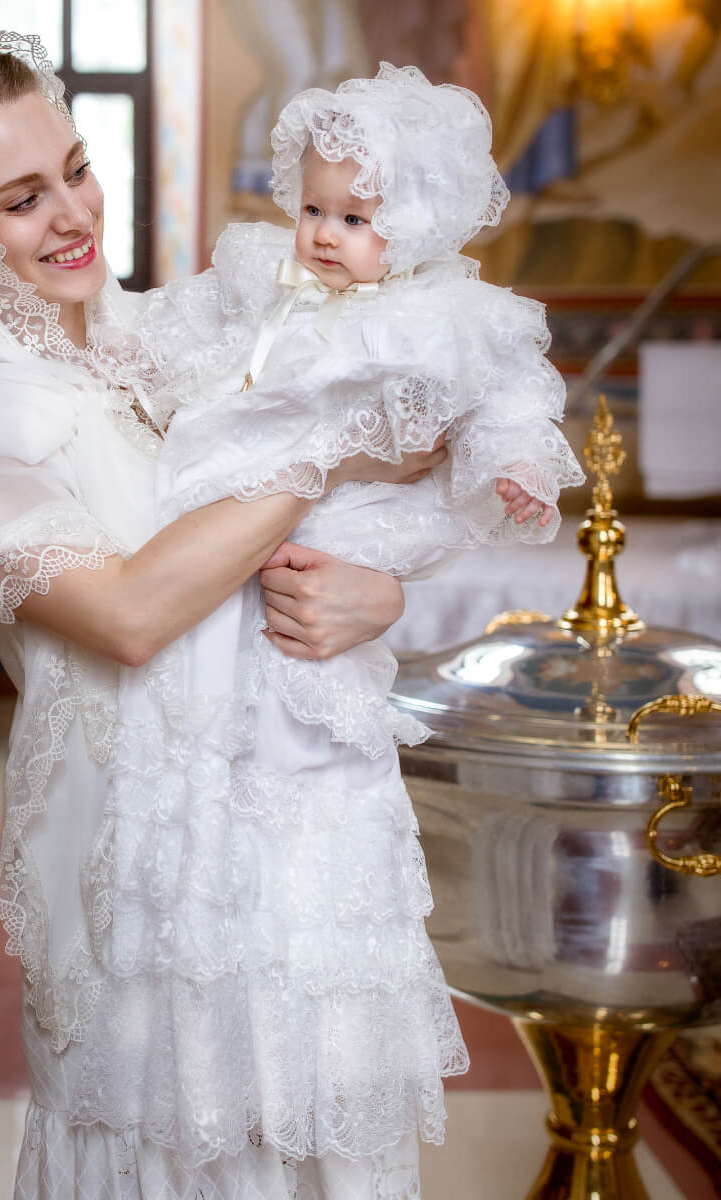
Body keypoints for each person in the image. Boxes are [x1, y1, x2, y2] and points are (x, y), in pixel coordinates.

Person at [0, 31, 451, 1199]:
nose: (74, 213)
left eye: (76, 167)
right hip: (132, 859)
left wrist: (379, 594)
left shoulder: (150, 339)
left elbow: (337, 502)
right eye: (21, 200)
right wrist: (323, 454)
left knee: (300, 1139)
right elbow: (128, 614)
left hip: (278, 821)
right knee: (166, 1153)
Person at [73, 63, 585, 1194]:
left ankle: (307, 1086)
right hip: (231, 542)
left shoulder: (449, 319)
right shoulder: (264, 277)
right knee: (237, 770)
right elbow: (167, 326)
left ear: (422, 224)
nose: (323, 234)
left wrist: (512, 474)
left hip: (349, 543)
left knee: (315, 746)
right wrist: (117, 350)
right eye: (312, 208)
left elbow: (512, 400)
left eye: (358, 218)